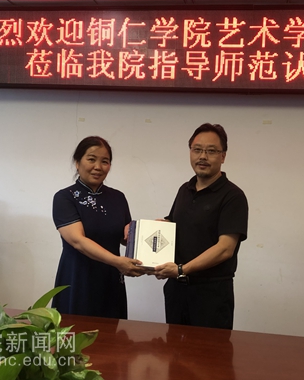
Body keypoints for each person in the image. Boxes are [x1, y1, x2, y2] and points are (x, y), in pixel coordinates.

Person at [154, 123, 249, 329]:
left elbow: (225, 248)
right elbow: (175, 226)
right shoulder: (184, 190)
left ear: (223, 156)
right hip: (176, 291)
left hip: (211, 294)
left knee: (210, 350)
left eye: (211, 151)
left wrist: (182, 269)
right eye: (197, 149)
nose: (202, 156)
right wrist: (142, 230)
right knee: (174, 347)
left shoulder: (233, 196)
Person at [52, 136, 146, 319]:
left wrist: (141, 232)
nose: (98, 167)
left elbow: (124, 237)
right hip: (78, 279)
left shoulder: (118, 197)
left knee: (110, 333)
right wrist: (117, 262)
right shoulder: (64, 197)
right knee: (75, 332)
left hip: (110, 280)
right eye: (91, 159)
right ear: (77, 162)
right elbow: (78, 241)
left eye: (105, 161)